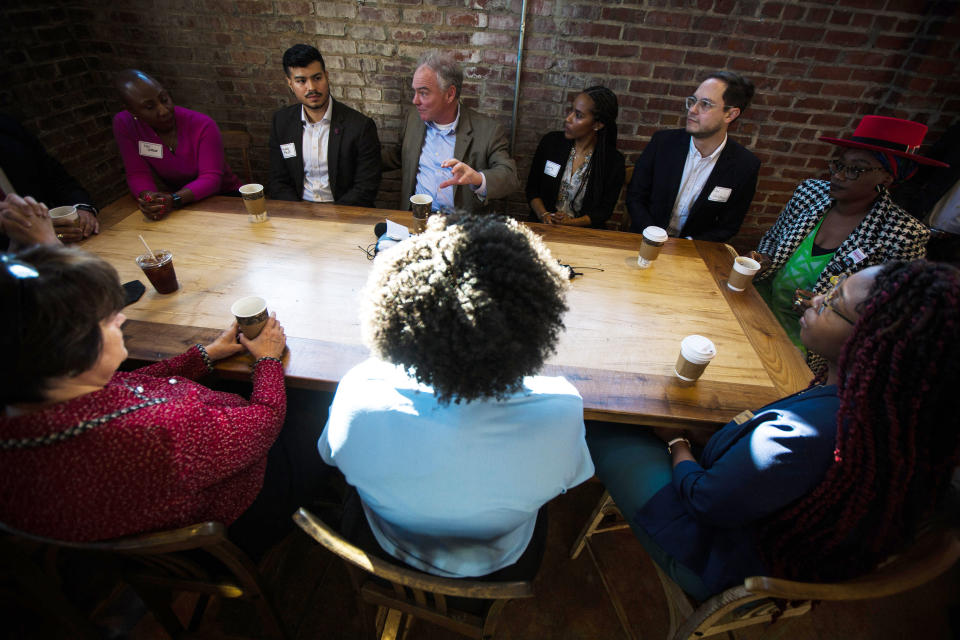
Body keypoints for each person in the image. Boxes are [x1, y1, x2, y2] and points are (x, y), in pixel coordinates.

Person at [586, 260, 960, 601]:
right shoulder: (903, 415)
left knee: (603, 420)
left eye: (833, 303)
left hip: (719, 556)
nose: (815, 299)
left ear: (872, 344)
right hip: (784, 538)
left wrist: (676, 441)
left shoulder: (808, 432)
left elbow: (705, 499)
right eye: (831, 288)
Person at [318, 213, 594, 578]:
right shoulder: (562, 409)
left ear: (398, 321)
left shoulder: (358, 393)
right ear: (534, 329)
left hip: (387, 548)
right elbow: (572, 478)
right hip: (501, 562)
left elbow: (329, 456)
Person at [0, 245, 294, 553]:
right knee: (318, 408)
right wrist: (268, 359)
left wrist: (205, 356)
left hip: (136, 525)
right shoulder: (160, 431)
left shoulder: (31, 402)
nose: (121, 319)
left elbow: (130, 381)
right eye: (106, 318)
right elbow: (268, 419)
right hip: (240, 512)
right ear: (70, 350)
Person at [750, 115, 940, 353]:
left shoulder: (902, 235)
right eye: (839, 165)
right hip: (755, 307)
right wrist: (764, 259)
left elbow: (888, 313)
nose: (838, 175)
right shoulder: (810, 193)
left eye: (855, 170)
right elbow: (773, 239)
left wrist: (826, 309)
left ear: (887, 177)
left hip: (806, 344)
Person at [381, 50, 520, 215]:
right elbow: (399, 155)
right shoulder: (413, 119)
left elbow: (510, 177)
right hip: (417, 219)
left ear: (450, 94)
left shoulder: (487, 130)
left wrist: (477, 178)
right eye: (415, 92)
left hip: (461, 226)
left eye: (423, 93)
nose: (415, 100)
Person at [626, 71, 760, 241]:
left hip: (694, 249)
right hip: (646, 239)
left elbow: (728, 226)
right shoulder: (663, 143)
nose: (693, 110)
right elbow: (635, 196)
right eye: (692, 101)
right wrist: (654, 236)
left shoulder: (745, 165)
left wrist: (687, 246)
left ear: (730, 114)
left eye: (705, 104)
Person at [112, 70, 243, 221]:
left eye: (164, 99)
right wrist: (150, 199)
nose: (163, 110)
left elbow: (211, 179)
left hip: (222, 197)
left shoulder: (202, 124)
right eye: (150, 107)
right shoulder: (124, 124)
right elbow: (137, 173)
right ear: (132, 111)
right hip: (180, 204)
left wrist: (173, 199)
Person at [268, 44, 381, 207]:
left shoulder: (360, 126)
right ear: (290, 84)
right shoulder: (281, 122)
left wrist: (333, 216)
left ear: (327, 76)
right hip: (298, 211)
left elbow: (366, 187)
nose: (311, 87)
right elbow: (277, 180)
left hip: (345, 212)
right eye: (301, 81)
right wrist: (299, 212)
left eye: (317, 78)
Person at [525, 86, 625, 228]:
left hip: (583, 233)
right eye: (571, 110)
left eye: (578, 115)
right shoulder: (551, 143)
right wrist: (544, 215)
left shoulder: (613, 162)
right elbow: (532, 189)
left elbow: (604, 211)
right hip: (543, 226)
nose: (568, 118)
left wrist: (571, 223)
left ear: (597, 124)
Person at [0, 114, 99, 244]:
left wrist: (82, 209)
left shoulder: (7, 126)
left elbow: (56, 176)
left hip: (65, 247)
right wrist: (42, 235)